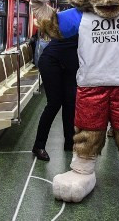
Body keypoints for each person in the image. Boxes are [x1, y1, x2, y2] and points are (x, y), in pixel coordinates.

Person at [31, 31, 79, 161]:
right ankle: (38, 145)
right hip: (51, 61)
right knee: (54, 103)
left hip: (69, 64)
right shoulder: (77, 21)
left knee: (70, 102)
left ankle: (70, 142)